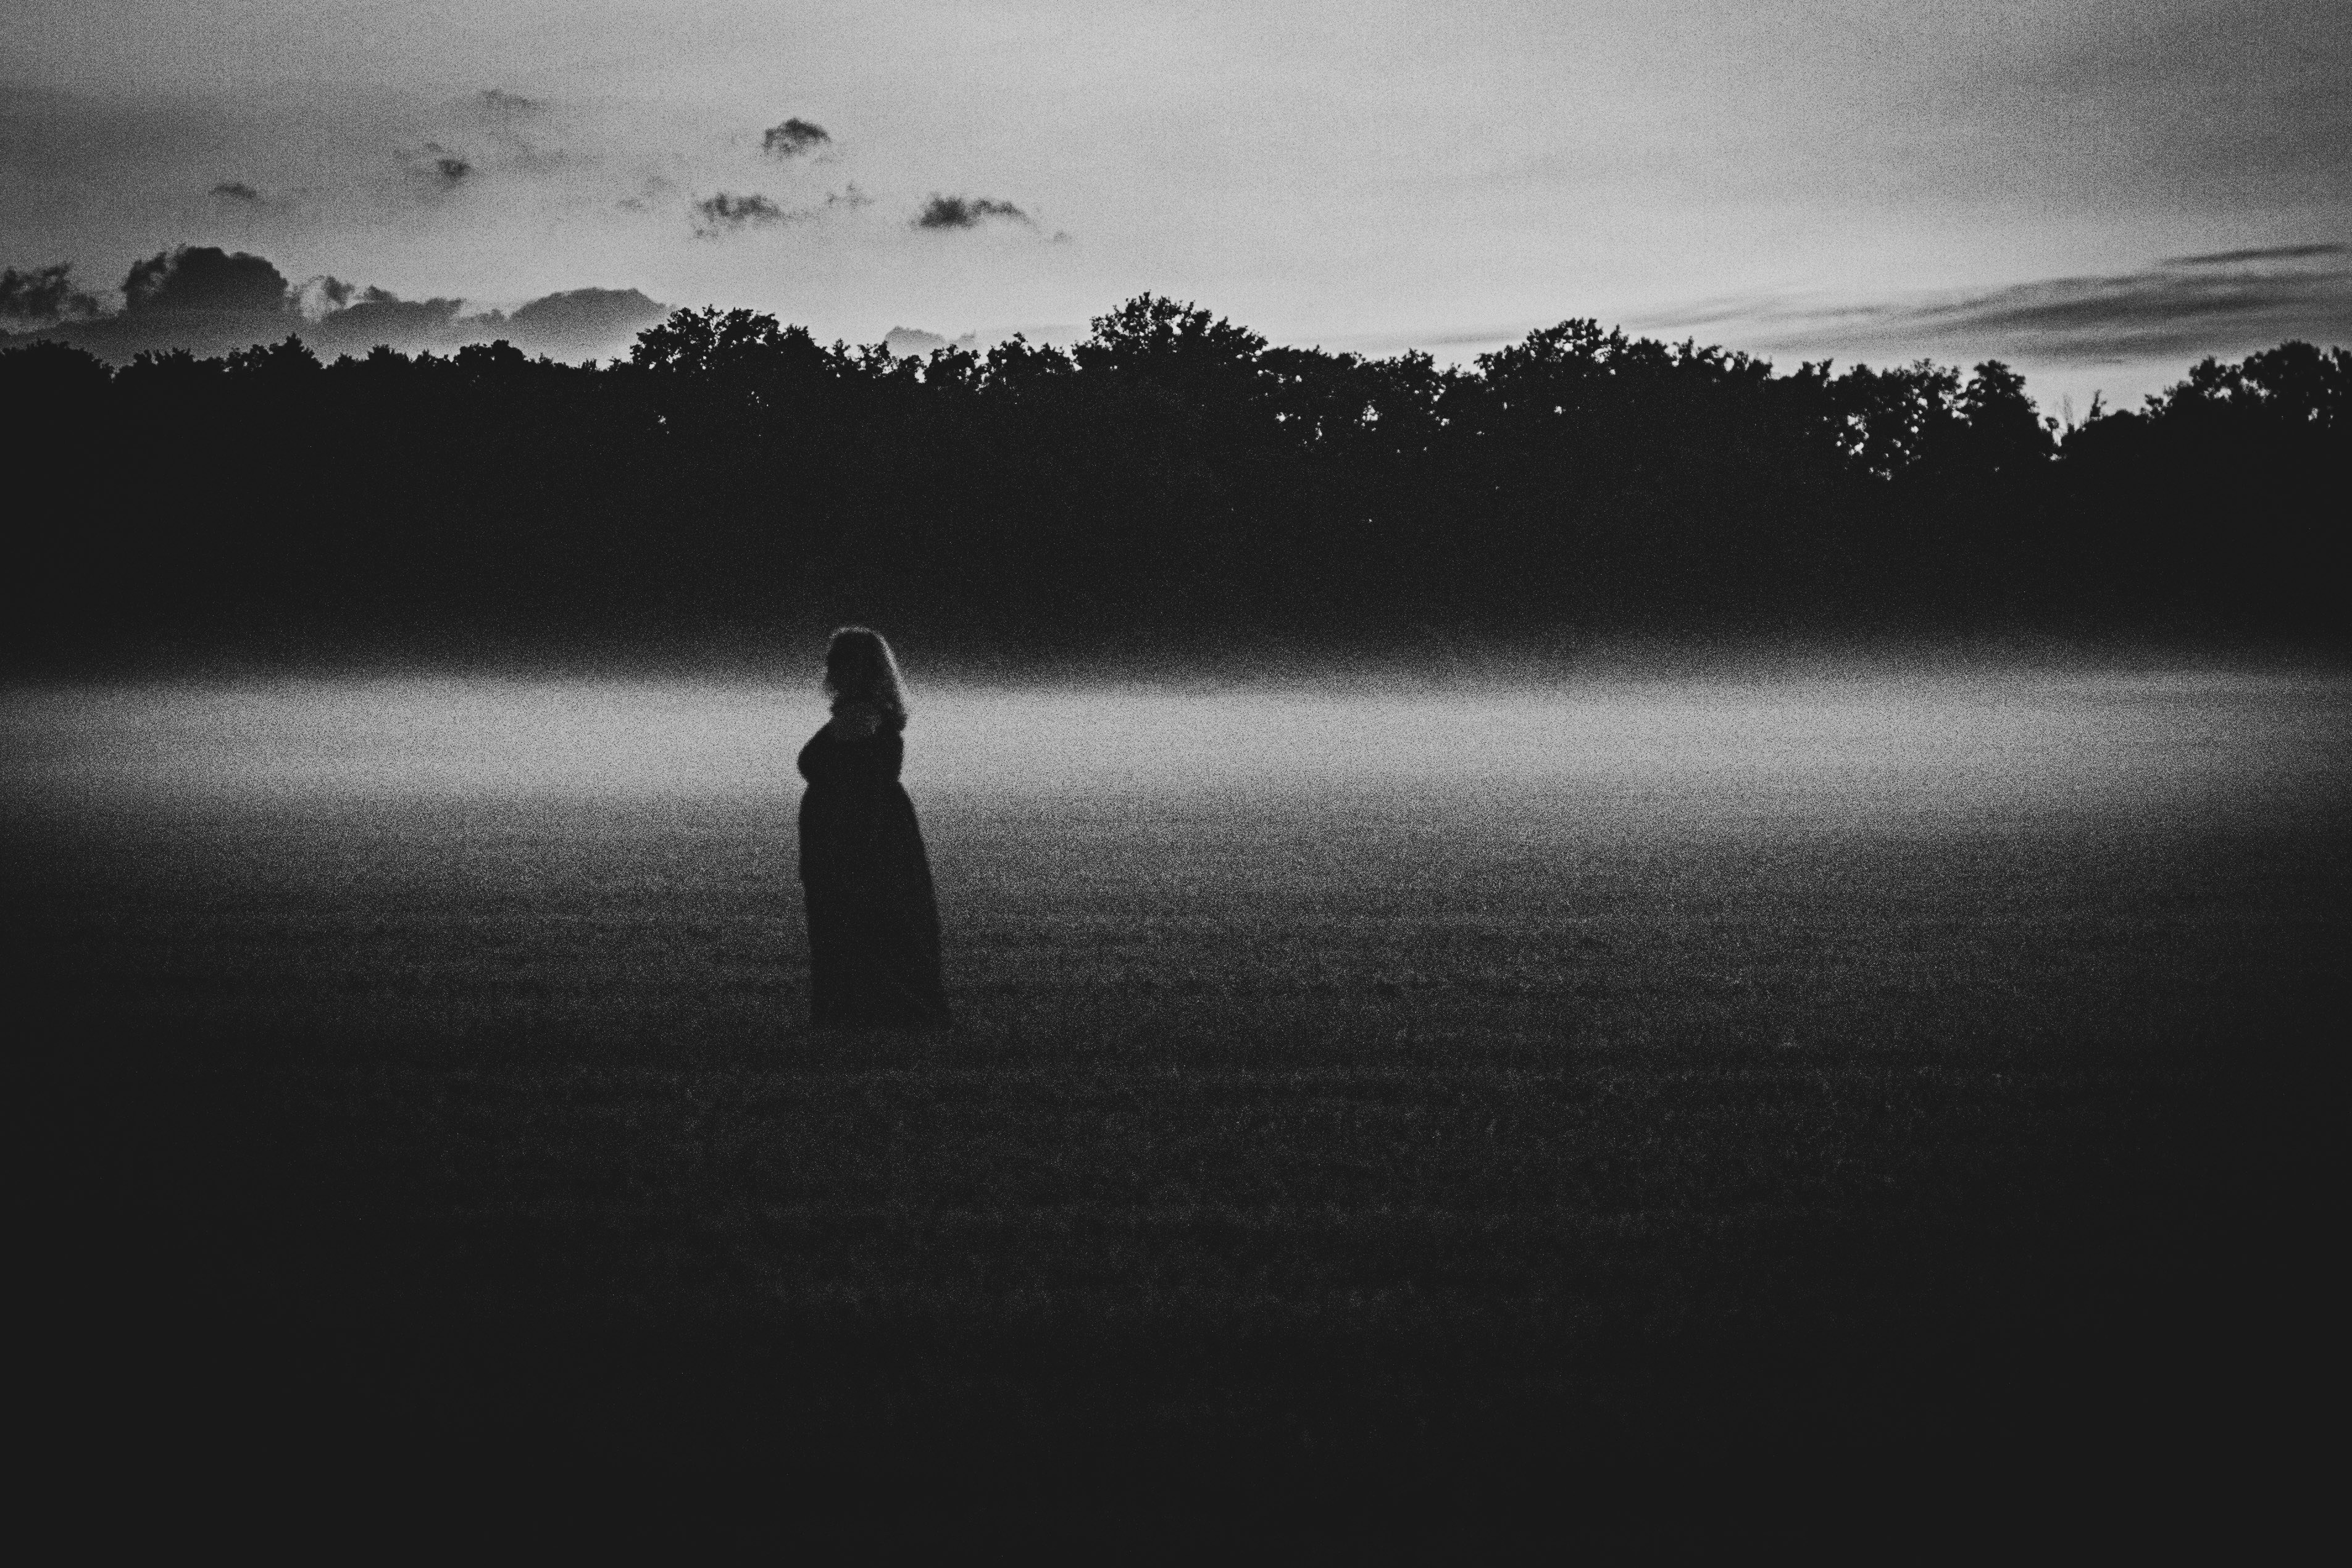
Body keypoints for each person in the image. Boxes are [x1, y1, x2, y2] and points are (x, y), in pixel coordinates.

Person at [796, 627, 953, 1029]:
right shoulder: (863, 716)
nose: (828, 669)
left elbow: (848, 779)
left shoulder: (860, 721)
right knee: (875, 923)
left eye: (836, 661)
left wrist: (849, 846)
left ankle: (863, 1013)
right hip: (865, 830)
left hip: (855, 834)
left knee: (859, 923)